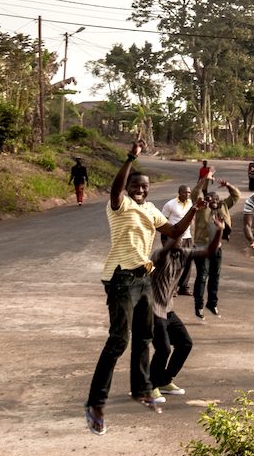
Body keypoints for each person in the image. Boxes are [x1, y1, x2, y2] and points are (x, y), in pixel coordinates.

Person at [83, 139, 198, 436]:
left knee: (145, 336)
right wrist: (130, 158)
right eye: (136, 185)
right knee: (118, 340)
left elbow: (173, 231)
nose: (141, 189)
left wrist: (194, 210)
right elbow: (115, 188)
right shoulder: (120, 206)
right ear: (128, 187)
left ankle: (142, 389)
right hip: (120, 277)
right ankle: (95, 404)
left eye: (145, 186)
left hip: (143, 278)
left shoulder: (150, 210)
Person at [150, 181, 217, 399]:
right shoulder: (159, 256)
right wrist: (193, 210)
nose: (180, 239)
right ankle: (150, 386)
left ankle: (165, 380)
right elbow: (175, 233)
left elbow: (208, 251)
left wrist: (219, 230)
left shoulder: (184, 253)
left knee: (185, 344)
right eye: (174, 237)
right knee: (163, 349)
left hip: (167, 310)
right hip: (152, 311)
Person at [191, 178, 238, 319]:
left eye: (214, 198)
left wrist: (228, 185)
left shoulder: (223, 207)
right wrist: (204, 179)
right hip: (201, 247)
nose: (212, 200)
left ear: (219, 200)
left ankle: (212, 303)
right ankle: (198, 306)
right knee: (202, 276)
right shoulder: (201, 209)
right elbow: (195, 193)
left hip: (217, 248)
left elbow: (236, 196)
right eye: (208, 198)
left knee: (215, 276)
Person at [161, 185, 194, 295]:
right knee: (175, 263)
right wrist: (165, 240)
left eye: (189, 192)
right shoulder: (170, 204)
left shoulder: (190, 203)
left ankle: (184, 287)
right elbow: (163, 223)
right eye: (185, 192)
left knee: (188, 262)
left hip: (187, 237)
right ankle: (172, 288)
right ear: (179, 192)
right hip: (174, 238)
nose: (187, 195)